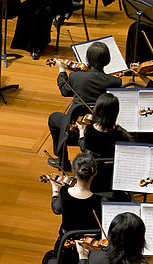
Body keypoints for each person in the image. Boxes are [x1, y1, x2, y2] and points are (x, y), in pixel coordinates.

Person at [48, 42, 122, 171]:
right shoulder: (115, 81)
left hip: (76, 127)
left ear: (87, 60)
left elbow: (65, 91)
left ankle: (63, 160)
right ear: (108, 60)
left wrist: (61, 70)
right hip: (102, 127)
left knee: (54, 118)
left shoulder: (76, 77)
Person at [39, 153, 102, 264]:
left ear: (74, 171)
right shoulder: (100, 200)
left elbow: (56, 209)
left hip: (67, 245)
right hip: (92, 246)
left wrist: (55, 190)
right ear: (94, 173)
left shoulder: (65, 193)